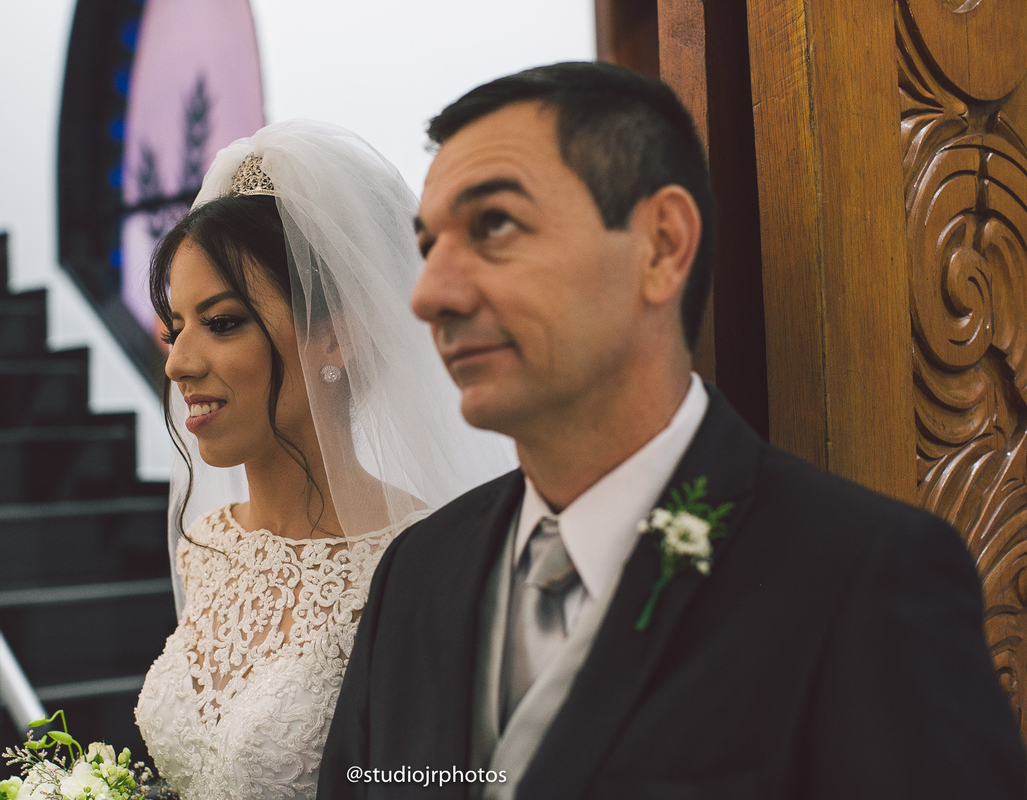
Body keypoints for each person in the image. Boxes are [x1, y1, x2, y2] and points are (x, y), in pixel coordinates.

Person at [318, 62, 1026, 799]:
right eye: (428, 247)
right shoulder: (416, 572)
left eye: (494, 225)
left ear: (661, 245)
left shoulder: (862, 578)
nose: (430, 295)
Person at [134, 120, 514, 800]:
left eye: (222, 323)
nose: (179, 364)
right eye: (175, 328)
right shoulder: (207, 546)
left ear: (335, 339)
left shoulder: (420, 565)